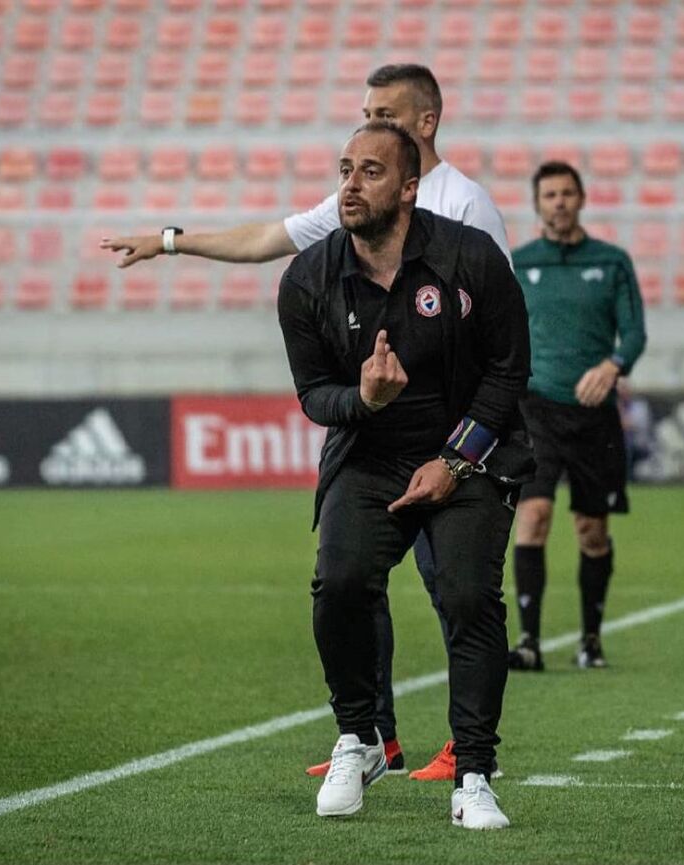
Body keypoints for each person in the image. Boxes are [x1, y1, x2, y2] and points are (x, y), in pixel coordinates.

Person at [100, 63, 509, 780]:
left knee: (459, 588)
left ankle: (467, 747)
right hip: (376, 435)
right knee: (353, 582)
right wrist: (170, 242)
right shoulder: (357, 201)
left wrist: (465, 449)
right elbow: (269, 240)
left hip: (452, 440)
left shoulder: (466, 210)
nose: (369, 121)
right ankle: (374, 734)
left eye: (383, 111)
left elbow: (497, 334)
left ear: (425, 124)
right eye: (363, 112)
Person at [277, 121, 531, 827]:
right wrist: (364, 399)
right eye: (344, 169)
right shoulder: (308, 279)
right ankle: (359, 737)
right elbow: (312, 395)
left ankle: (474, 772)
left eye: (371, 172)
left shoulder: (470, 258)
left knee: (467, 593)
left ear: (411, 187)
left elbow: (510, 371)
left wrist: (454, 460)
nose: (350, 185)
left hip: (467, 454)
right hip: (369, 455)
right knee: (341, 582)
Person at [506, 161, 646, 672]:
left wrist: (613, 365)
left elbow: (634, 334)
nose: (559, 202)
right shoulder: (519, 264)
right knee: (534, 516)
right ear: (537, 203)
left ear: (582, 198)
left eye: (567, 193)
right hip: (536, 408)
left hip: (594, 416)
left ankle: (590, 639)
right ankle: (528, 642)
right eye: (550, 194)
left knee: (592, 529)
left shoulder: (611, 263)